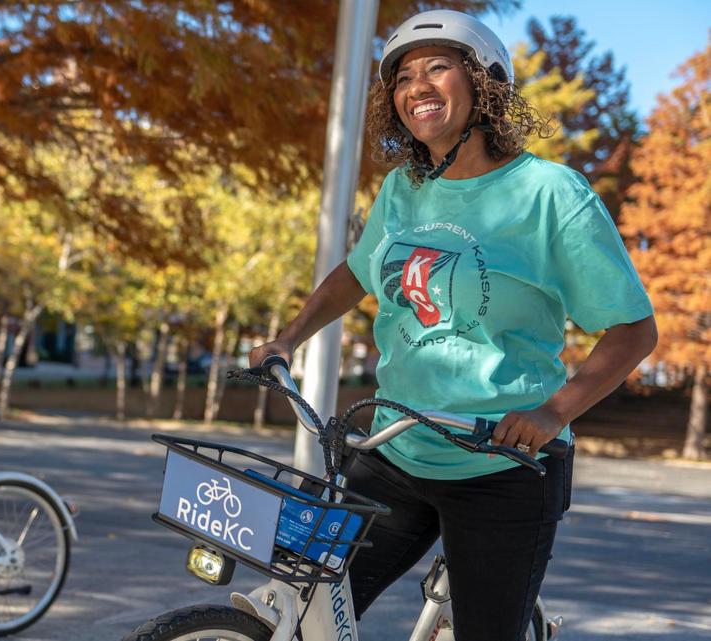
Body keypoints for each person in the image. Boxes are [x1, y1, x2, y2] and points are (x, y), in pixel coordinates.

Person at [249, 9, 657, 641]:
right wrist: (288, 338)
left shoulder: (551, 194)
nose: (417, 86)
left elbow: (633, 330)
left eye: (438, 67)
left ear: (484, 84)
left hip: (503, 466)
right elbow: (357, 272)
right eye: (403, 77)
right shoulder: (403, 189)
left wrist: (553, 413)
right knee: (304, 615)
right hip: (395, 450)